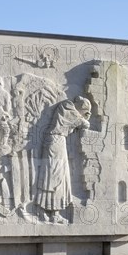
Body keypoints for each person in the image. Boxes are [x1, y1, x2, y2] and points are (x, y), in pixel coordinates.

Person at [34, 96, 91, 224]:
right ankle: (52, 213)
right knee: (56, 178)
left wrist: (82, 119)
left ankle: (46, 212)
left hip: (57, 141)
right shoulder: (67, 105)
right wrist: (83, 120)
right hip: (55, 142)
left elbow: (73, 123)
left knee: (53, 177)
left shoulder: (69, 108)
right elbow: (81, 122)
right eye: (83, 111)